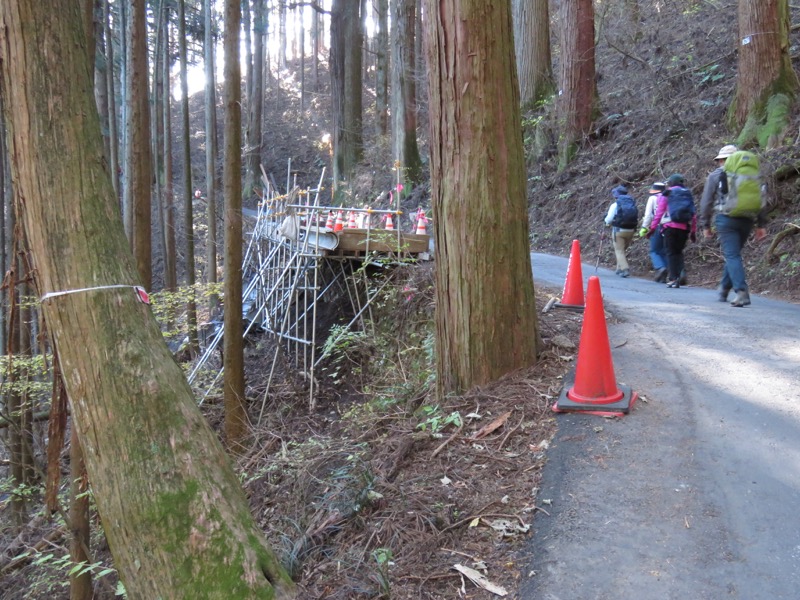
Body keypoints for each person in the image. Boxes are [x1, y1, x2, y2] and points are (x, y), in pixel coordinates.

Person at [700, 144, 767, 307]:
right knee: (734, 254)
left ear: (722, 160)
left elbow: (706, 202)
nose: (718, 163)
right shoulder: (752, 174)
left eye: (719, 160)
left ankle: (741, 292)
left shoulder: (716, 175)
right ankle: (724, 288)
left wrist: (705, 225)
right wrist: (761, 224)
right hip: (747, 219)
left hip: (726, 219)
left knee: (732, 255)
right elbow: (761, 198)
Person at [648, 174, 697, 288]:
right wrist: (693, 231)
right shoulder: (687, 193)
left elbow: (659, 213)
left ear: (670, 183)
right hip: (684, 228)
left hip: (670, 227)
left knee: (670, 252)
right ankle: (680, 275)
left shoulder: (667, 193)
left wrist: (652, 228)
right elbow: (693, 214)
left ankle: (673, 278)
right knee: (678, 252)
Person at [604, 185, 637, 277]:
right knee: (622, 250)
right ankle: (619, 268)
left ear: (616, 195)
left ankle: (625, 269)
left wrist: (605, 221)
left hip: (619, 230)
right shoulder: (631, 203)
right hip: (631, 230)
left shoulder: (615, 205)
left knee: (619, 250)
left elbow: (609, 219)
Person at [639, 182, 668, 282]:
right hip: (669, 226)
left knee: (654, 250)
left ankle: (660, 267)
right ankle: (665, 274)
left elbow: (648, 215)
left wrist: (644, 227)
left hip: (657, 226)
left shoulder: (652, 198)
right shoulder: (669, 196)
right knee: (664, 251)